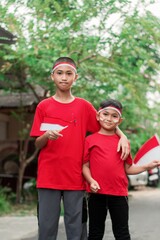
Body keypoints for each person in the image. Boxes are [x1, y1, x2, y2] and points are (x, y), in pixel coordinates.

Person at [30, 57, 130, 240]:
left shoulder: (83, 106)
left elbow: (106, 123)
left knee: (77, 231)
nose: (64, 78)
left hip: (75, 178)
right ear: (52, 76)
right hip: (48, 178)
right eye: (60, 73)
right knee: (46, 229)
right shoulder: (43, 106)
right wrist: (46, 136)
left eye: (69, 73)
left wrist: (123, 136)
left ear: (76, 77)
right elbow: (37, 143)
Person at [82, 98, 160, 240]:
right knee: (95, 233)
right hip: (96, 193)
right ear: (98, 115)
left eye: (114, 116)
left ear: (120, 120)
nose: (109, 119)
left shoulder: (123, 142)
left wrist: (147, 166)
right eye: (105, 114)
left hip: (118, 193)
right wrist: (91, 180)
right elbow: (85, 166)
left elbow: (128, 168)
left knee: (122, 233)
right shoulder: (90, 140)